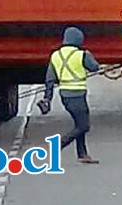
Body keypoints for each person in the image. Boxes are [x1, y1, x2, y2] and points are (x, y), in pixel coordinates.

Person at [38, 26, 101, 164]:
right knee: (84, 126)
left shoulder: (56, 55)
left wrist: (47, 98)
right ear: (79, 40)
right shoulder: (81, 54)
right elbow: (95, 67)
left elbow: (50, 80)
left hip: (65, 96)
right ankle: (59, 145)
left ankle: (82, 154)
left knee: (79, 124)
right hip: (77, 95)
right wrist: (89, 55)